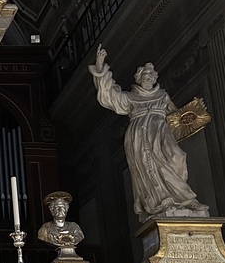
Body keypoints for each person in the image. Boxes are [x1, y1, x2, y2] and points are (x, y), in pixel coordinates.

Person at [89, 46, 208, 221]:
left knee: (177, 156)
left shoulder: (162, 96)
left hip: (161, 133)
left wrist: (193, 113)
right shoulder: (130, 97)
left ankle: (185, 198)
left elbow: (176, 117)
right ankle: (161, 201)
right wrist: (100, 66)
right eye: (146, 74)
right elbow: (109, 96)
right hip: (138, 137)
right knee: (147, 167)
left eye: (152, 74)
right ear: (138, 78)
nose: (150, 76)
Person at [37, 191, 84, 258]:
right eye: (57, 207)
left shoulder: (75, 227)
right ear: (52, 211)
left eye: (62, 207)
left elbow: (79, 237)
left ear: (66, 209)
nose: (60, 209)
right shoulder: (45, 229)